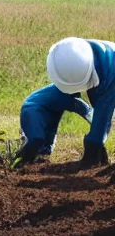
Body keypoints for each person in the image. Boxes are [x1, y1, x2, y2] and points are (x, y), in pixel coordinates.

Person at [18, 37, 114, 166]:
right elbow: (60, 92)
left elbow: (103, 111)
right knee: (44, 102)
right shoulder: (70, 56)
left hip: (109, 74)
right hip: (93, 68)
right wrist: (34, 106)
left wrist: (94, 143)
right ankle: (42, 149)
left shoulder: (108, 74)